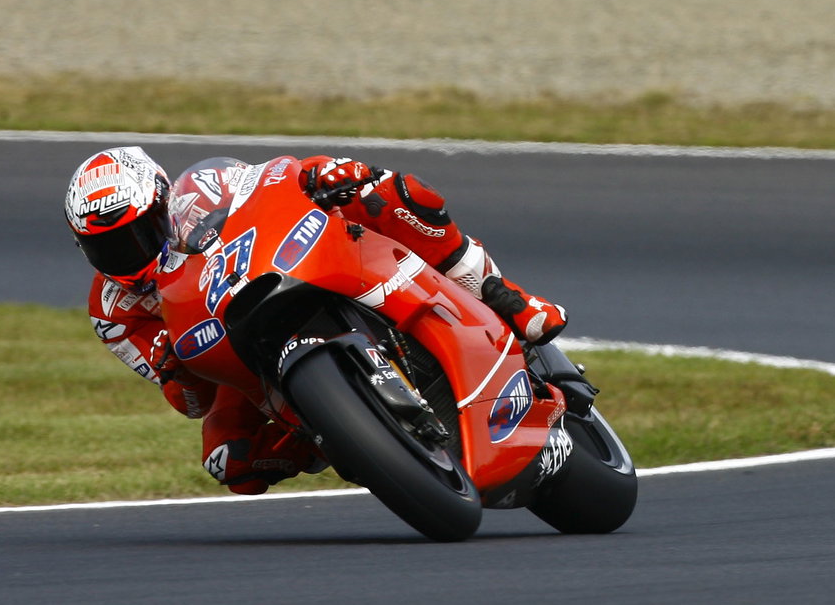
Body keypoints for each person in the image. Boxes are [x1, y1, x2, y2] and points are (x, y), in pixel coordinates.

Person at [62, 146, 567, 495]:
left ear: (161, 201)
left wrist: (324, 175)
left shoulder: (202, 192)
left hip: (281, 270)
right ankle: (331, 430)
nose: (123, 257)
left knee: (398, 194)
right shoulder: (111, 312)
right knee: (229, 462)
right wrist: (174, 368)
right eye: (103, 247)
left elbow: (271, 180)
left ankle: (506, 299)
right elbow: (191, 403)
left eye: (136, 235)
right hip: (232, 356)